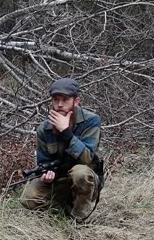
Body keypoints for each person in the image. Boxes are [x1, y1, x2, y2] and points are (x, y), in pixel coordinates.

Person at [20, 78, 104, 220]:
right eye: (56, 100)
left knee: (80, 173)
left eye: (65, 100)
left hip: (86, 179)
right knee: (28, 197)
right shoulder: (44, 129)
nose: (59, 105)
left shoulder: (91, 121)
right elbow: (43, 161)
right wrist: (47, 174)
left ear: (76, 101)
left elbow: (87, 157)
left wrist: (65, 131)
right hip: (60, 179)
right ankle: (61, 212)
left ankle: (79, 218)